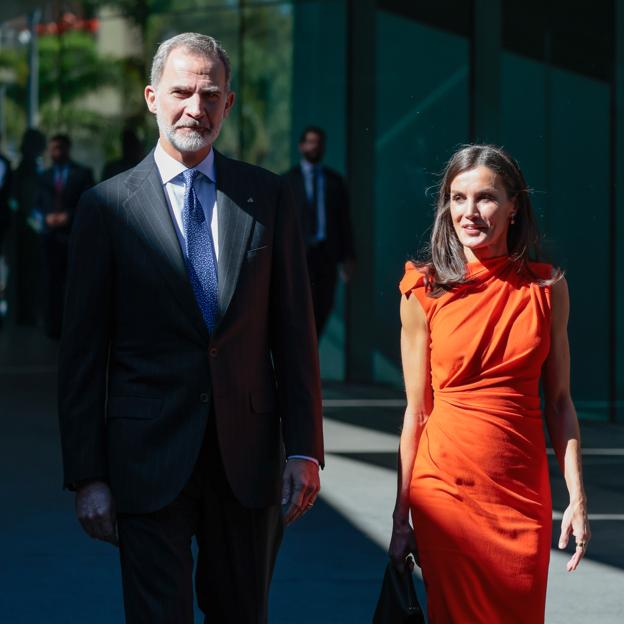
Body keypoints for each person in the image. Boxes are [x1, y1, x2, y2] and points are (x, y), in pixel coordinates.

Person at [57, 33, 323, 624]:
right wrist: (88, 475)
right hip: (146, 460)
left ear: (228, 105)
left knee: (242, 614)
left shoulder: (268, 197)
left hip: (249, 461)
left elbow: (294, 334)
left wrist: (305, 447)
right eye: (181, 92)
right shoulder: (106, 208)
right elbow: (82, 354)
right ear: (153, 98)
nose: (194, 108)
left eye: (210, 94)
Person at [389, 145, 590, 623]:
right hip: (446, 493)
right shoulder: (424, 290)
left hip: (523, 497)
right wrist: (401, 520)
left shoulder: (546, 290)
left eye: (485, 198)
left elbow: (560, 403)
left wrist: (578, 499)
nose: (468, 212)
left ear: (514, 204)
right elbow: (417, 411)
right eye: (457, 199)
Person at [284, 126, 355, 335]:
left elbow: (344, 220)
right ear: (301, 146)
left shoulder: (335, 181)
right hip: (298, 255)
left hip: (327, 254)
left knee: (324, 305)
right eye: (310, 142)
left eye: (318, 142)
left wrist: (349, 255)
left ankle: (312, 352)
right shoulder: (287, 180)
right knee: (298, 308)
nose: (314, 147)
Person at [35, 133, 94, 338]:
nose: (55, 152)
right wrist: (45, 219)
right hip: (50, 237)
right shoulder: (43, 177)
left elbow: (89, 203)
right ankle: (53, 327)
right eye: (52, 148)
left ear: (67, 149)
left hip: (72, 237)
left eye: (59, 148)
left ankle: (74, 326)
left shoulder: (82, 173)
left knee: (74, 284)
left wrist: (69, 216)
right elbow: (35, 206)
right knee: (51, 284)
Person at [13, 128, 47, 326]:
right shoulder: (29, 168)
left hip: (26, 228)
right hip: (29, 229)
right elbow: (27, 201)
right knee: (29, 273)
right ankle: (28, 313)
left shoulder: (24, 168)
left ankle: (27, 313)